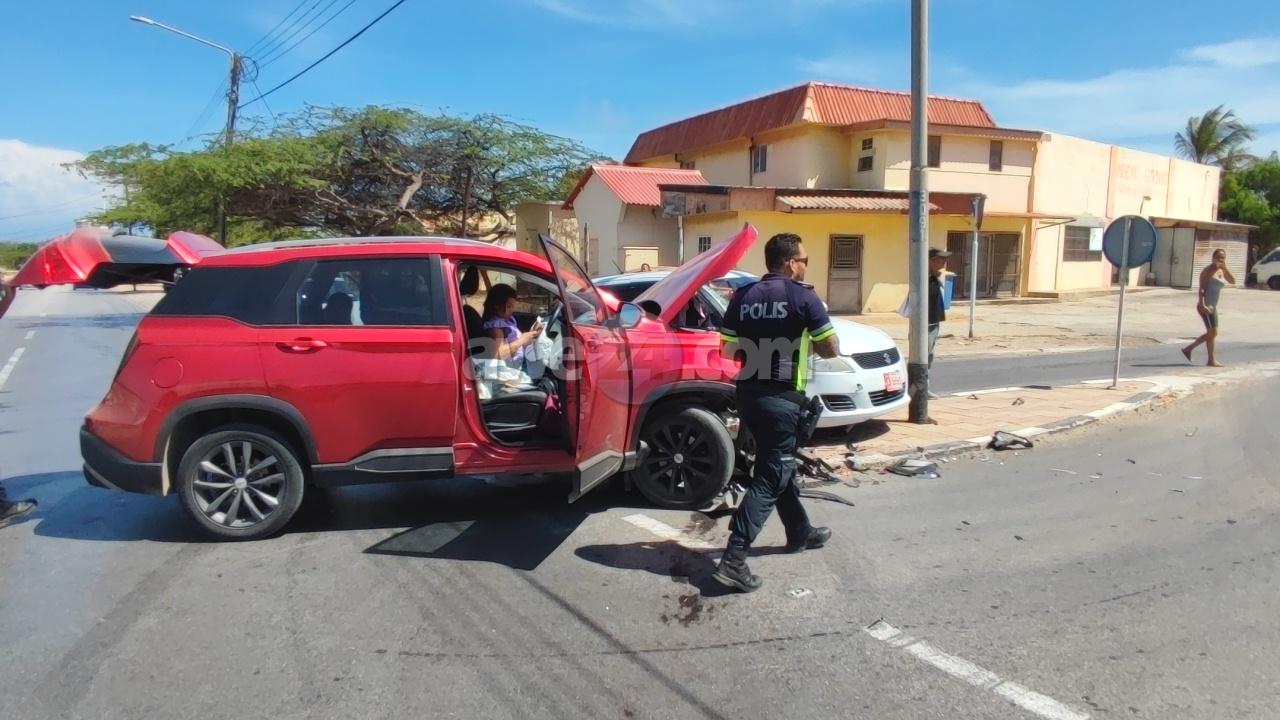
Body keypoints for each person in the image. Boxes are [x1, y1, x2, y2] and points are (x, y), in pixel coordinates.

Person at [713, 233, 839, 593]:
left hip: (749, 396)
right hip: (782, 400)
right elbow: (830, 348)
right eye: (804, 260)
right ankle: (734, 559)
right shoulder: (803, 297)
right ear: (790, 263)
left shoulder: (743, 297)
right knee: (772, 474)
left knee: (776, 463)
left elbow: (726, 350)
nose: (805, 266)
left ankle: (800, 531)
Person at [1182, 248, 1236, 367]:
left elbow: (1233, 281)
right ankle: (1188, 349)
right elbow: (1201, 289)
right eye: (1218, 257)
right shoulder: (1208, 271)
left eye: (1222, 258)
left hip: (1213, 306)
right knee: (1213, 333)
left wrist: (1225, 268)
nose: (1220, 259)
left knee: (1211, 334)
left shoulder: (1221, 271)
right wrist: (1202, 304)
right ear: (1213, 258)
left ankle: (1211, 360)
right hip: (1206, 305)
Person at [482, 284, 543, 368]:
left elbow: (514, 340)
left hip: (519, 363)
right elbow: (499, 354)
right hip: (509, 370)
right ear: (496, 306)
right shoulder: (495, 327)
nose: (512, 310)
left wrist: (530, 336)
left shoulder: (507, 320)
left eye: (513, 306)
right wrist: (522, 340)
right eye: (509, 306)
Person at [926, 248, 951, 398]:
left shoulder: (934, 277)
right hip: (925, 325)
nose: (944, 263)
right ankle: (920, 388)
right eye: (941, 260)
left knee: (929, 356)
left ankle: (924, 387)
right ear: (931, 261)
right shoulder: (924, 278)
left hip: (933, 323)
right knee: (923, 357)